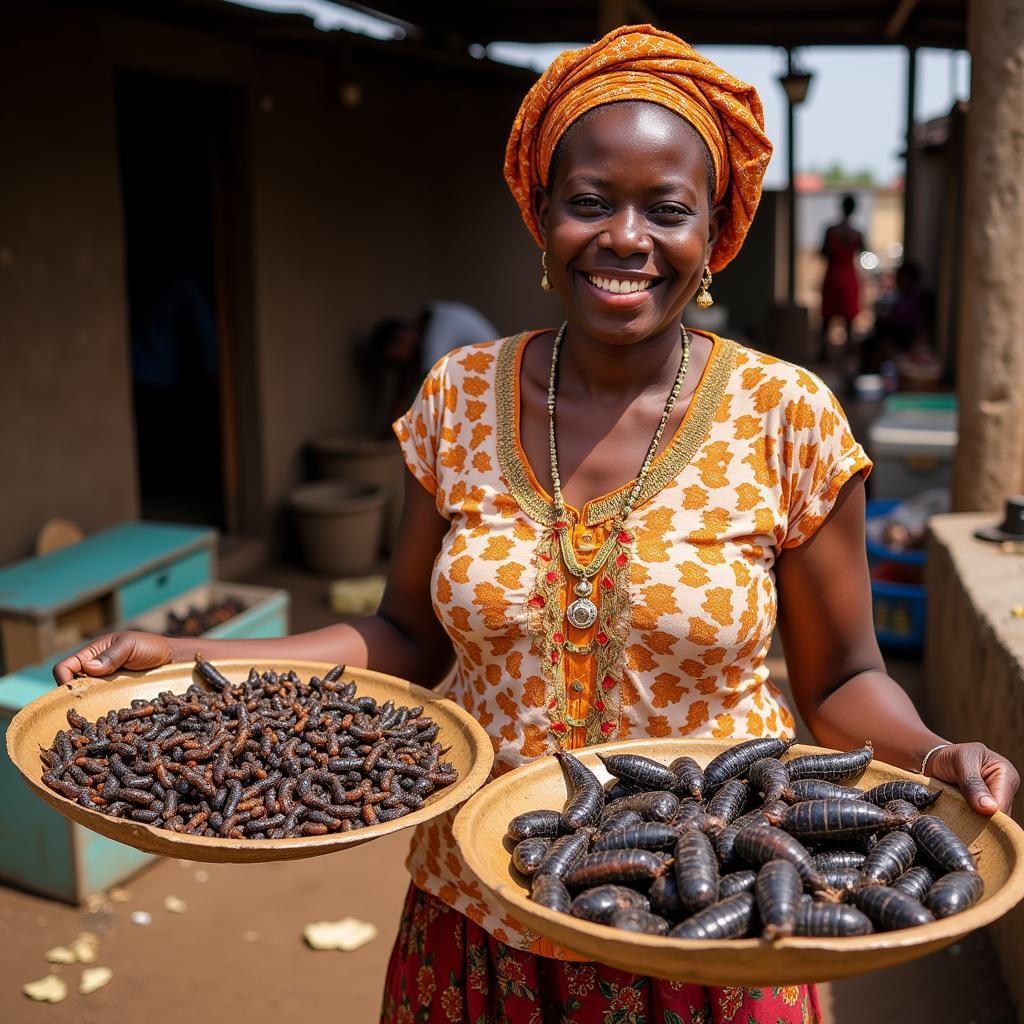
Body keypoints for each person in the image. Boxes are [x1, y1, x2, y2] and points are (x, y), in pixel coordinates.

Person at [55, 25, 1017, 1024]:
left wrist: (933, 753)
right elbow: (404, 636)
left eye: (667, 209)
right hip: (485, 909)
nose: (625, 238)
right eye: (589, 201)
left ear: (715, 232)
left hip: (717, 921)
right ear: (541, 214)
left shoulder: (788, 418)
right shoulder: (458, 397)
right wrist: (190, 658)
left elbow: (839, 679)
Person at [365, 302, 499, 431]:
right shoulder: (429, 323)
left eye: (397, 362)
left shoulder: (436, 338)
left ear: (404, 338)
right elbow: (405, 385)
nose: (400, 366)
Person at [818, 194, 864, 360]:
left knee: (826, 318)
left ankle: (823, 353)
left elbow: (822, 252)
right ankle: (848, 353)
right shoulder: (857, 233)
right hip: (849, 277)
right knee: (849, 320)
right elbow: (864, 252)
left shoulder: (831, 230)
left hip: (833, 275)